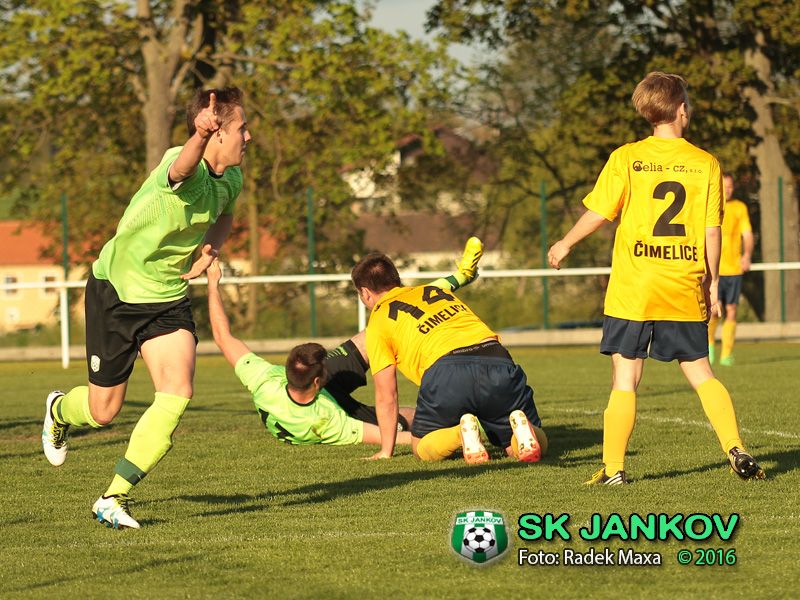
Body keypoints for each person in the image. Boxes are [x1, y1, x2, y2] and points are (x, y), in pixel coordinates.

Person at [41, 87, 251, 529]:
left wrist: (211, 246)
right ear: (214, 133)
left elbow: (227, 213)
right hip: (116, 291)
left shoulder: (233, 178)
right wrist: (197, 136)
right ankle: (60, 410)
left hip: (168, 298)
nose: (248, 137)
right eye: (241, 129)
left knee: (178, 391)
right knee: (103, 412)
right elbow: (181, 168)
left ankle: (113, 497)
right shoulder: (182, 160)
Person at [547, 71, 764, 485]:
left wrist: (565, 242)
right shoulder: (706, 163)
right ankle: (734, 446)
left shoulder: (626, 157)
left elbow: (600, 212)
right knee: (701, 371)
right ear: (681, 108)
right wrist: (712, 281)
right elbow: (711, 232)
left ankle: (613, 470)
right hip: (682, 280)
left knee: (625, 377)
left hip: (634, 285)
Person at [350, 246, 547, 465]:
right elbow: (456, 285)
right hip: (496, 358)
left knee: (421, 447)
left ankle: (461, 434)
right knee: (516, 446)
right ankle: (524, 432)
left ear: (365, 293)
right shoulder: (435, 291)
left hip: (446, 370)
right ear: (396, 279)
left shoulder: (378, 321)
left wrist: (386, 450)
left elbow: (387, 394)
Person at [206, 258, 416, 447]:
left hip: (310, 395)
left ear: (287, 370)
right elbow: (390, 437)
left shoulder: (264, 381)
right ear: (318, 380)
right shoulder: (326, 421)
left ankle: (414, 311)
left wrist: (213, 285)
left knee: (372, 334)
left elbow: (222, 336)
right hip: (330, 407)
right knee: (409, 418)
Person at [708, 174, 754, 366]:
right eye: (724, 186)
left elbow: (748, 234)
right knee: (712, 312)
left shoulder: (739, 207)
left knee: (731, 309)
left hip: (733, 269)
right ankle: (709, 348)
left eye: (730, 187)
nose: (727, 190)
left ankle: (726, 354)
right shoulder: (710, 205)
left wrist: (747, 255)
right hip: (713, 269)